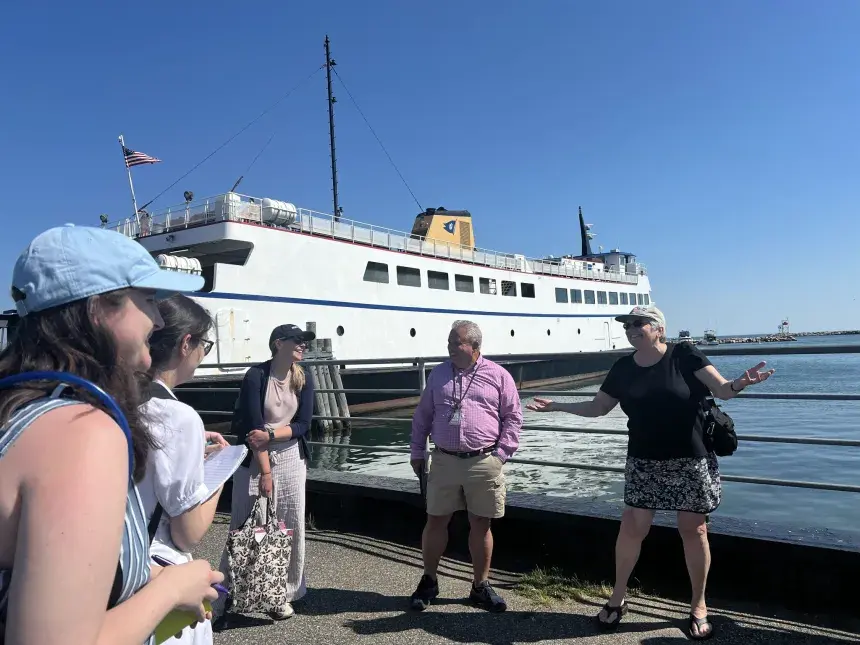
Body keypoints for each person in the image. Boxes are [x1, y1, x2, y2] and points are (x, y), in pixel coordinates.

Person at [0, 225, 223, 645]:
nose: (158, 321)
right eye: (149, 300)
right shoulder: (81, 432)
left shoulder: (18, 409)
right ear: (99, 308)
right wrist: (171, 588)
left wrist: (150, 572)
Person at [527, 305, 775, 640]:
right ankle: (618, 598)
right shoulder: (623, 367)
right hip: (644, 460)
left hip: (690, 458)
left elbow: (721, 390)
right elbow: (599, 407)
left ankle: (698, 605)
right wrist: (558, 405)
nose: (630, 329)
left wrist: (741, 383)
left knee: (694, 530)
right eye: (627, 325)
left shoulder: (684, 354)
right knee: (632, 527)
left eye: (638, 323)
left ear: (658, 328)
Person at [408, 320, 523, 613]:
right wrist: (417, 451)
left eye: (456, 343)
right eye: (449, 342)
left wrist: (500, 455)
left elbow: (513, 417)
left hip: (484, 460)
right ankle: (429, 580)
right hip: (444, 459)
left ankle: (480, 586)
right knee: (435, 520)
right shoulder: (438, 374)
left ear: (474, 347)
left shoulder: (498, 375)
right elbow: (422, 416)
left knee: (481, 525)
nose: (450, 347)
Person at [139, 294, 231, 645]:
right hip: (159, 569)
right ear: (185, 343)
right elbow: (186, 533)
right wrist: (219, 473)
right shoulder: (179, 416)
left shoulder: (118, 398)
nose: (203, 354)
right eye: (204, 344)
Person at [218, 323, 315, 621]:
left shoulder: (303, 377)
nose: (303, 345)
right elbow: (252, 428)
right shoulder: (256, 376)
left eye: (304, 342)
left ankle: (282, 594)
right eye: (297, 341)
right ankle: (224, 592)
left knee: (289, 524)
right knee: (244, 524)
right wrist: (265, 472)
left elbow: (304, 424)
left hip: (290, 458)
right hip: (255, 458)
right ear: (277, 344)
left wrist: (272, 435)